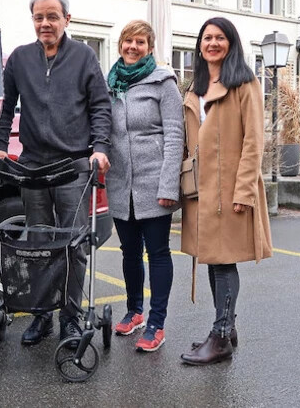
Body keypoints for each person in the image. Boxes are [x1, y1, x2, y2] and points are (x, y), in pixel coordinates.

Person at [0, 0, 111, 347]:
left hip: (73, 165)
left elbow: (100, 107)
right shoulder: (20, 59)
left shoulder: (85, 57)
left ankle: (71, 319)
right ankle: (42, 316)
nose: (45, 23)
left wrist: (100, 147)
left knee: (73, 243)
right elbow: (7, 105)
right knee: (39, 243)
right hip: (33, 167)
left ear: (66, 20)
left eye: (52, 17)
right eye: (39, 17)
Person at [178, 17, 273, 365]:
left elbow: (254, 142)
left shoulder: (244, 83)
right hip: (200, 191)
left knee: (223, 262)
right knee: (211, 259)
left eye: (220, 38)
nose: (213, 43)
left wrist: (244, 191)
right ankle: (225, 326)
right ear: (200, 45)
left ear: (231, 44)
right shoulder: (194, 87)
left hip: (230, 189)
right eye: (207, 38)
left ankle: (220, 338)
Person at [105, 20, 183, 352]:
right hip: (121, 184)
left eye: (140, 42)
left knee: (159, 253)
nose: (132, 47)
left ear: (150, 48)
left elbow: (176, 135)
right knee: (129, 252)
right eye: (127, 41)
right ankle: (135, 311)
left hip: (154, 184)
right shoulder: (110, 84)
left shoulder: (163, 82)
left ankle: (157, 322)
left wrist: (168, 185)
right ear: (120, 44)